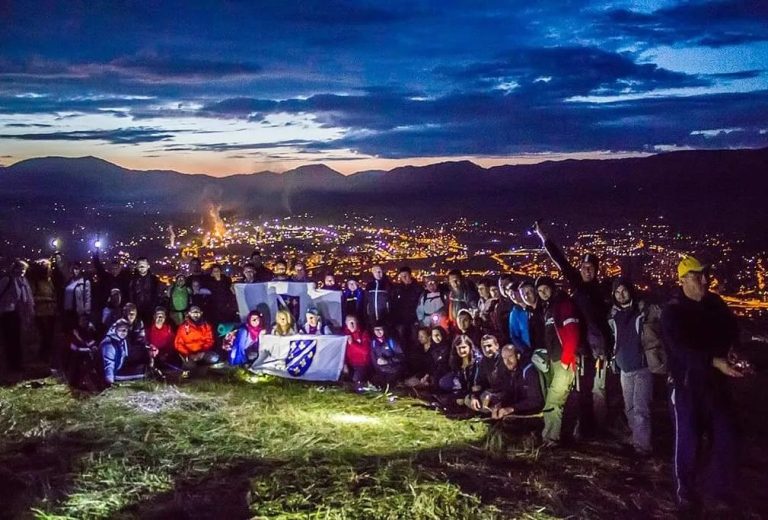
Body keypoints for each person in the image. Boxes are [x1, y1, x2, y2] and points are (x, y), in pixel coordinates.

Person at [661, 256, 745, 516]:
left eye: (704, 275)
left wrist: (731, 350)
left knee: (725, 436)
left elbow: (731, 329)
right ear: (683, 280)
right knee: (688, 440)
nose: (704, 281)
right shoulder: (673, 311)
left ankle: (719, 491)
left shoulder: (714, 304)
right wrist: (713, 361)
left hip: (715, 385)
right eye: (697, 276)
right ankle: (685, 492)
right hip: (687, 387)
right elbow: (681, 350)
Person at [535, 222, 612, 438]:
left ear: (596, 270)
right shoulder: (577, 285)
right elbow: (561, 261)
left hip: (598, 349)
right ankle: (585, 428)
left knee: (598, 391)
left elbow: (607, 321)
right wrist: (544, 238)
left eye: (591, 268)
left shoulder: (603, 291)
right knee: (583, 391)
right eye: (584, 267)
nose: (587, 270)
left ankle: (597, 429)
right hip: (581, 349)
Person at [608, 277, 662, 458]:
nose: (621, 294)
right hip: (624, 368)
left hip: (642, 367)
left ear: (630, 291)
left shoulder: (643, 311)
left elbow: (660, 320)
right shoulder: (614, 315)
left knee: (641, 409)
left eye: (624, 290)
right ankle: (636, 439)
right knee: (629, 408)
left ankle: (642, 448)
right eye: (617, 292)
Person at [536, 276, 580, 448]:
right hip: (555, 360)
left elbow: (572, 332)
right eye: (540, 291)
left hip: (564, 362)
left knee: (554, 401)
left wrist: (566, 359)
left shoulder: (563, 305)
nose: (543, 293)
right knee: (557, 399)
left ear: (552, 288)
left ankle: (550, 439)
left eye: (545, 289)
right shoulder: (549, 308)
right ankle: (557, 435)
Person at [491, 345, 545, 419]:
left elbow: (536, 400)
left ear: (518, 356)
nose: (507, 361)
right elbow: (509, 393)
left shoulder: (528, 371)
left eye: (510, 356)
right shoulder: (509, 371)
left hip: (534, 412)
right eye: (504, 358)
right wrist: (499, 404)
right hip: (520, 409)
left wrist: (511, 409)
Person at [0, 260, 34, 373]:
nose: (23, 272)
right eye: (22, 269)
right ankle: (12, 364)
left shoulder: (20, 281)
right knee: (10, 339)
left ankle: (17, 363)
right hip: (7, 312)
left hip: (15, 312)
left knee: (16, 339)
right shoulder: (8, 279)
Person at [438, 335, 482, 405]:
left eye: (464, 347)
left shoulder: (477, 361)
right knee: (443, 382)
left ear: (469, 346)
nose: (461, 351)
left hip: (476, 387)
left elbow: (476, 381)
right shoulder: (456, 360)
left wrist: (473, 394)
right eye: (459, 348)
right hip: (463, 385)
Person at [468, 335, 508, 413]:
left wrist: (492, 395)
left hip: (506, 393)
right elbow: (478, 382)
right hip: (491, 392)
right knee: (468, 399)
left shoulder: (504, 358)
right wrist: (474, 396)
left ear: (497, 346)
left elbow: (511, 384)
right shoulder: (483, 361)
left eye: (489, 346)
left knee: (486, 398)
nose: (487, 349)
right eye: (484, 347)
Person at [101, 318, 146, 385]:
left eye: (126, 330)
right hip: (114, 374)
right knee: (143, 373)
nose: (124, 332)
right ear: (115, 329)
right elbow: (108, 365)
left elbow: (126, 356)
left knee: (143, 368)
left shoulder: (122, 340)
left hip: (120, 369)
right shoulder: (109, 343)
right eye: (121, 329)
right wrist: (110, 382)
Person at [391, 266, 423, 341]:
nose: (403, 278)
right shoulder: (398, 289)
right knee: (401, 339)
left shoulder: (417, 288)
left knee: (415, 338)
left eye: (405, 276)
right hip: (401, 319)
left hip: (414, 319)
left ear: (410, 275)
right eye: (402, 276)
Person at [128, 257, 162, 325]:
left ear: (148, 266)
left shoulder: (154, 280)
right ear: (137, 266)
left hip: (150, 311)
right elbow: (130, 294)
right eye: (139, 265)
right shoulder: (132, 280)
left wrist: (154, 307)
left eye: (143, 264)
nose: (142, 266)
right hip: (136, 311)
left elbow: (157, 295)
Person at [370, 322, 404, 387]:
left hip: (393, 370)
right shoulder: (373, 342)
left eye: (380, 329)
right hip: (381, 371)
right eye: (376, 330)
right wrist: (377, 368)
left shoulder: (391, 341)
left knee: (389, 385)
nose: (378, 332)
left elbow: (401, 356)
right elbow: (373, 357)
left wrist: (387, 361)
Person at [342, 314, 372, 390]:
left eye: (353, 322)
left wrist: (353, 343)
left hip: (361, 364)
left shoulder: (363, 333)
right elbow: (342, 351)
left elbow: (366, 351)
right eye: (349, 323)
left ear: (357, 323)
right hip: (349, 364)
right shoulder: (344, 334)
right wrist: (344, 364)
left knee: (356, 380)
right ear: (346, 324)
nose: (351, 325)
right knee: (343, 379)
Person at [146, 307, 179, 372]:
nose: (160, 317)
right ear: (154, 316)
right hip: (154, 355)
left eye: (162, 315)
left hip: (165, 355)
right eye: (158, 315)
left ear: (165, 317)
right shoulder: (149, 330)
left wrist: (165, 354)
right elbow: (146, 343)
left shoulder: (168, 329)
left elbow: (172, 344)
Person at [62, 261, 92, 329]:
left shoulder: (85, 282)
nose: (73, 271)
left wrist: (86, 313)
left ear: (80, 269)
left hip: (79, 312)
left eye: (76, 268)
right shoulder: (68, 281)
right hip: (68, 311)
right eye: (72, 269)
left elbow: (87, 298)